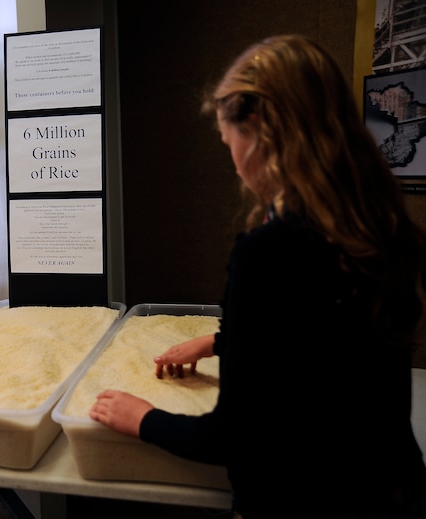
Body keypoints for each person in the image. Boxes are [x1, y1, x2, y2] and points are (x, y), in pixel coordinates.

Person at [89, 34, 426, 518]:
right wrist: (219, 342)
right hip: (393, 490)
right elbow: (326, 341)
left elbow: (235, 437)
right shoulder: (379, 223)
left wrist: (142, 419)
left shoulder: (270, 250)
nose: (232, 159)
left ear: (259, 130)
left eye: (229, 141)